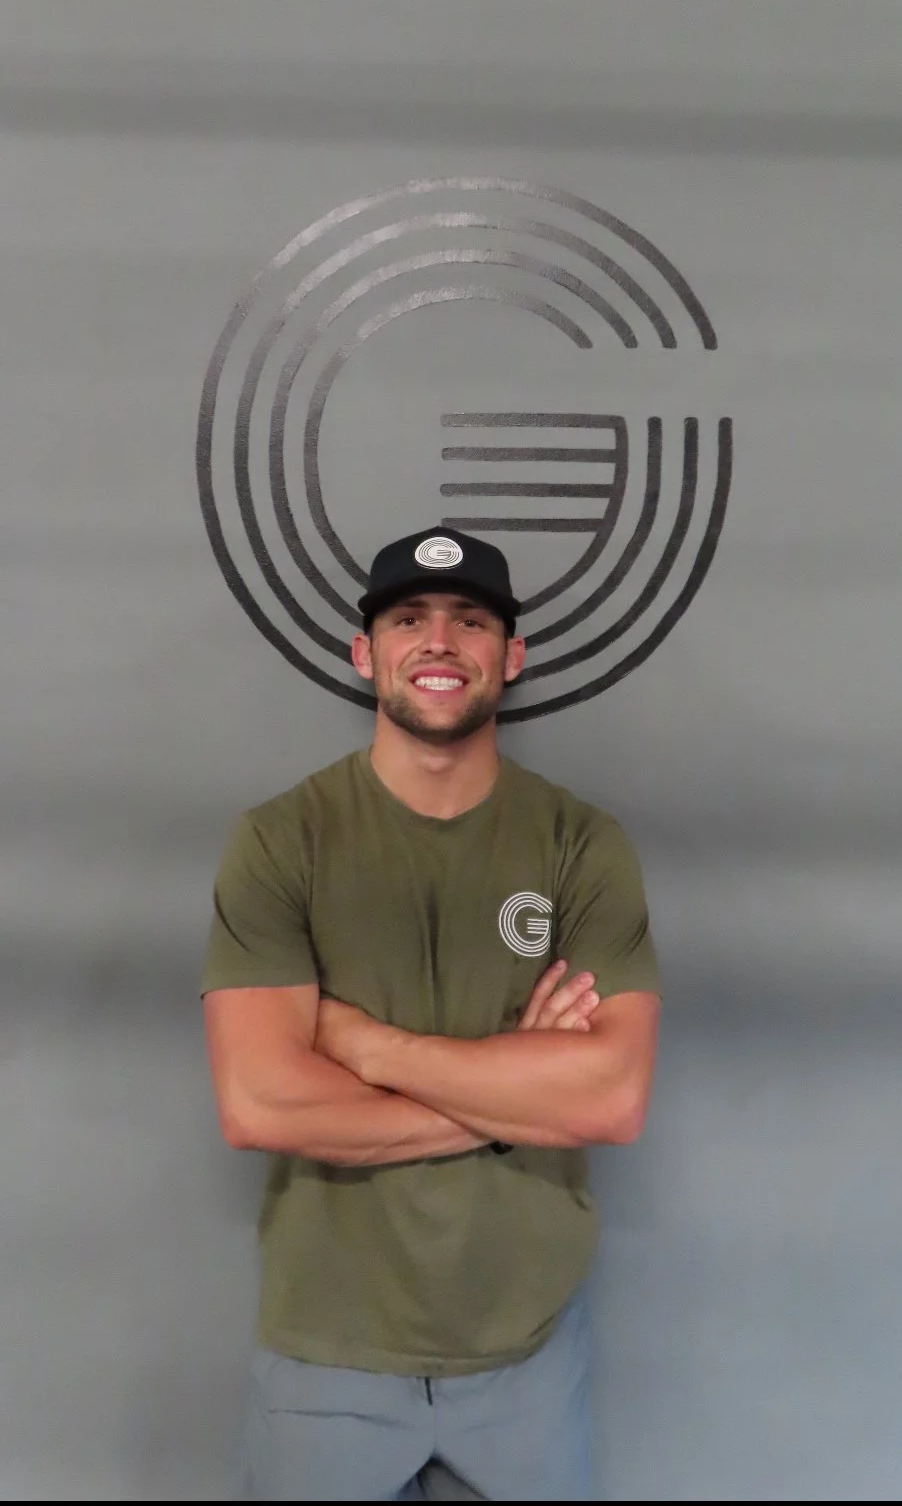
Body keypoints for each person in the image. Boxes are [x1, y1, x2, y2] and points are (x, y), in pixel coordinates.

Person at [201, 524, 661, 1502]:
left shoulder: (581, 843)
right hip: (327, 1354)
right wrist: (516, 1088)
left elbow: (611, 1098)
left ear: (512, 654)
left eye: (471, 620)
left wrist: (366, 1044)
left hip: (527, 1353)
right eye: (408, 619)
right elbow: (260, 1104)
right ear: (364, 652)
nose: (440, 641)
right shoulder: (282, 840)